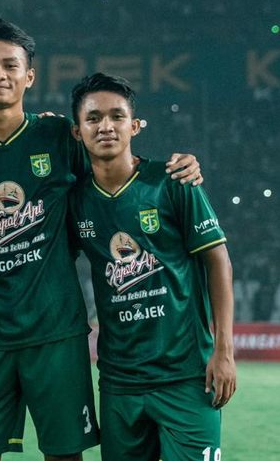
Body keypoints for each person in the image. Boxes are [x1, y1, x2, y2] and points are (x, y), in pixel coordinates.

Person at [0, 18, 202, 461]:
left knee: (64, 454)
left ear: (30, 76)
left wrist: (182, 167)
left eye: (10, 65)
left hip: (56, 327)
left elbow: (113, 174)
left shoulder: (61, 136)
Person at [66, 72, 235, 461]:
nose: (105, 126)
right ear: (77, 132)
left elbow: (218, 260)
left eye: (117, 116)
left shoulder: (174, 181)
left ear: (135, 125)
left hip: (187, 377)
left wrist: (224, 351)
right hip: (119, 381)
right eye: (93, 118)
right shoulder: (75, 201)